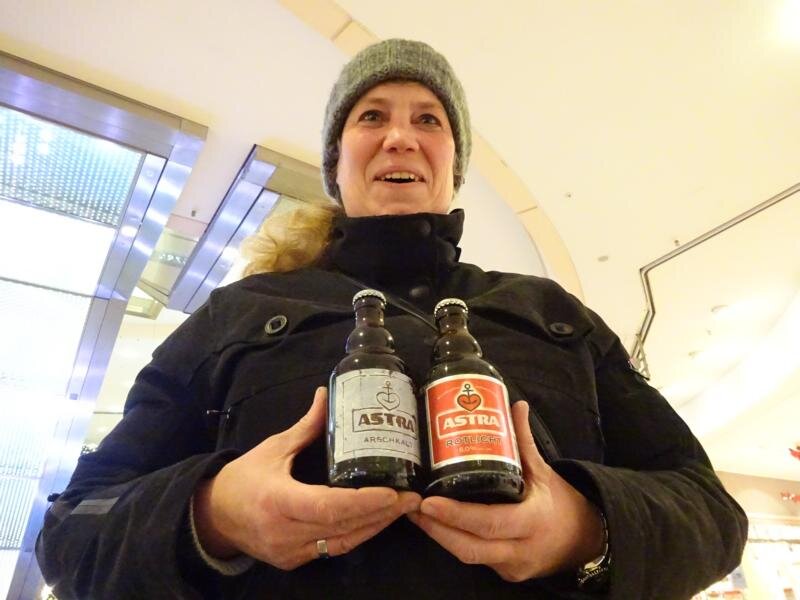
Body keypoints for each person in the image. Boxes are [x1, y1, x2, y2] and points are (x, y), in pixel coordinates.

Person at [37, 39, 747, 599]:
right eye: (371, 116)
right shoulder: (238, 312)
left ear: (453, 162)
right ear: (336, 160)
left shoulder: (553, 312)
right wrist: (213, 514)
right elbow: (72, 531)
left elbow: (710, 513)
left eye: (428, 119)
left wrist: (584, 528)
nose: (401, 137)